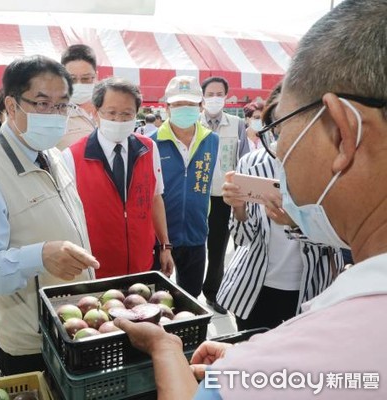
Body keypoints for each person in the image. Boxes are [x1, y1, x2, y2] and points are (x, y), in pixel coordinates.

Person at [116, 1, 387, 397]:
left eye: (280, 126)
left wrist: (165, 346)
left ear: (342, 132)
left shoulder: (304, 351)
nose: (278, 149)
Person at [0, 55, 99, 376]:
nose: (53, 114)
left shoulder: (54, 155)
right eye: (42, 103)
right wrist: (40, 256)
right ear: (11, 104)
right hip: (32, 345)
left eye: (62, 105)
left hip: (74, 328)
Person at [217, 85, 344, 331]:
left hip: (311, 288)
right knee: (251, 355)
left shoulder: (330, 165)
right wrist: (238, 208)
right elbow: (244, 239)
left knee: (300, 360)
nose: (283, 132)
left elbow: (339, 238)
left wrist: (297, 223)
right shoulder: (252, 162)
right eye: (277, 122)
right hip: (255, 286)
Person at [63, 77, 173, 279]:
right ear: (96, 113)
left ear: (135, 114)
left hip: (142, 265)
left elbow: (156, 198)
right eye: (111, 113)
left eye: (126, 114)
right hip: (96, 269)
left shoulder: (149, 148)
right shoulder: (72, 156)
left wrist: (165, 245)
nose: (119, 120)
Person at [150, 76, 218, 298]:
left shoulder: (213, 141)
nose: (184, 109)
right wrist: (162, 242)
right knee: (159, 300)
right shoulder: (151, 143)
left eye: (190, 104)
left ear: (200, 106)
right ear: (167, 108)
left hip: (196, 235)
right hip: (160, 238)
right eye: (178, 104)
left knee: (191, 298)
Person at [199, 76, 248, 315]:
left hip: (223, 196)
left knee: (218, 247)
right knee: (194, 245)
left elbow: (245, 158)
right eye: (211, 94)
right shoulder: (194, 122)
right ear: (203, 96)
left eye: (220, 94)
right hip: (197, 195)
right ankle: (187, 289)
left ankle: (214, 292)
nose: (215, 98)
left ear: (226, 97)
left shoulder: (237, 123)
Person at [56, 44, 98, 150]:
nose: (79, 84)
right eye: (72, 79)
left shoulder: (108, 110)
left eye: (85, 78)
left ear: (96, 76)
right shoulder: (54, 115)